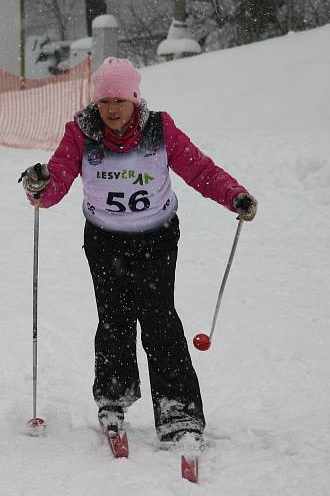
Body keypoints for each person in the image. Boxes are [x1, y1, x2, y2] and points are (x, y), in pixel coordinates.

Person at [19, 57, 257, 449]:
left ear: (134, 98)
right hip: (104, 240)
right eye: (104, 101)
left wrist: (235, 196)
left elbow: (199, 170)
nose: (111, 109)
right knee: (114, 320)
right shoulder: (81, 132)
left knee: (160, 320)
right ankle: (113, 400)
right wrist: (38, 185)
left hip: (156, 238)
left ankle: (179, 412)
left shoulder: (159, 129)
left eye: (119, 101)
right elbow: (54, 182)